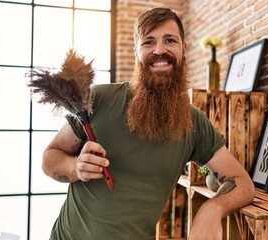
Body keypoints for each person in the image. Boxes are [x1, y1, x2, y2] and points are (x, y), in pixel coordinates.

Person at [43, 7, 255, 240]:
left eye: (170, 40)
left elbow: (242, 182)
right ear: (136, 51)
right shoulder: (96, 100)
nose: (160, 50)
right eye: (148, 42)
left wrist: (212, 209)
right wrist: (75, 167)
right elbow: (50, 157)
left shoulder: (194, 123)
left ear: (184, 49)